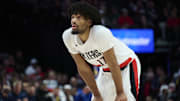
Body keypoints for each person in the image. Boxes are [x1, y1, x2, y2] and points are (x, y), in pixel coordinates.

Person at [62, 2, 141, 101]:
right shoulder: (68, 36)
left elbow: (113, 64)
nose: (73, 20)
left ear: (89, 22)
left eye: (78, 17)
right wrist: (97, 95)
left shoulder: (100, 33)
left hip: (126, 65)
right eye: (72, 17)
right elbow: (83, 68)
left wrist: (120, 93)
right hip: (105, 70)